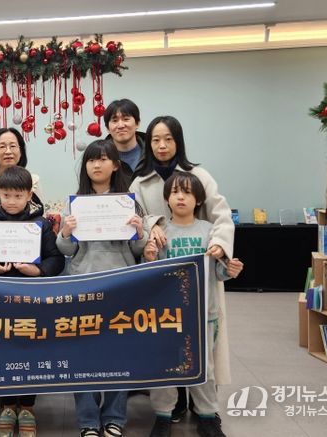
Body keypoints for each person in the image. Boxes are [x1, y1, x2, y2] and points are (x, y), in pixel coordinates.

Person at [129, 115, 235, 424]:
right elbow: (134, 217)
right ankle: (171, 406)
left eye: (168, 139)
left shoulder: (199, 175)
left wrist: (219, 243)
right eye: (155, 140)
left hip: (198, 270)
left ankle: (205, 410)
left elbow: (221, 215)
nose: (162, 145)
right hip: (161, 273)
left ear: (178, 141)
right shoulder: (140, 181)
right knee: (167, 342)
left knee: (202, 348)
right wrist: (152, 225)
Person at [56, 139, 147, 437]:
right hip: (83, 284)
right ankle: (87, 421)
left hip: (120, 284)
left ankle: (114, 418)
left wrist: (139, 231)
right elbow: (66, 250)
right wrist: (66, 232)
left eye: (104, 159)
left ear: (115, 165)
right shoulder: (75, 203)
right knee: (83, 354)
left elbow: (139, 250)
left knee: (119, 353)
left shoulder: (129, 202)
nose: (96, 164)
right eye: (91, 160)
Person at [143, 171, 243, 437]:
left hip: (203, 313)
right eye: (175, 192)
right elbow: (150, 274)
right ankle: (163, 415)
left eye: (187, 192)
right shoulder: (161, 233)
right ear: (166, 198)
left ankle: (207, 415)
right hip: (167, 315)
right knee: (164, 364)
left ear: (198, 199)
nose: (180, 197)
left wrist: (230, 269)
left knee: (204, 367)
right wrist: (149, 256)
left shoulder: (210, 232)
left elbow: (218, 273)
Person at [0, 166, 65, 437]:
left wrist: (38, 271)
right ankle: (6, 406)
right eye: (6, 195)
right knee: (2, 351)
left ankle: (27, 407)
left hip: (31, 301)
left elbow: (56, 259)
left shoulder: (41, 225)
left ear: (29, 195)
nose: (12, 201)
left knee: (30, 351)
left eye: (18, 196)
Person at [0, 127, 44, 228]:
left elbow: (41, 217)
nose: (8, 151)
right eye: (2, 147)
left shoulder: (33, 180)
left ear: (21, 152)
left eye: (13, 146)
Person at [103, 99, 147, 187]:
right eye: (115, 120)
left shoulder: (153, 152)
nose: (120, 126)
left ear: (137, 123)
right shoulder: (99, 156)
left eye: (126, 119)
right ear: (107, 128)